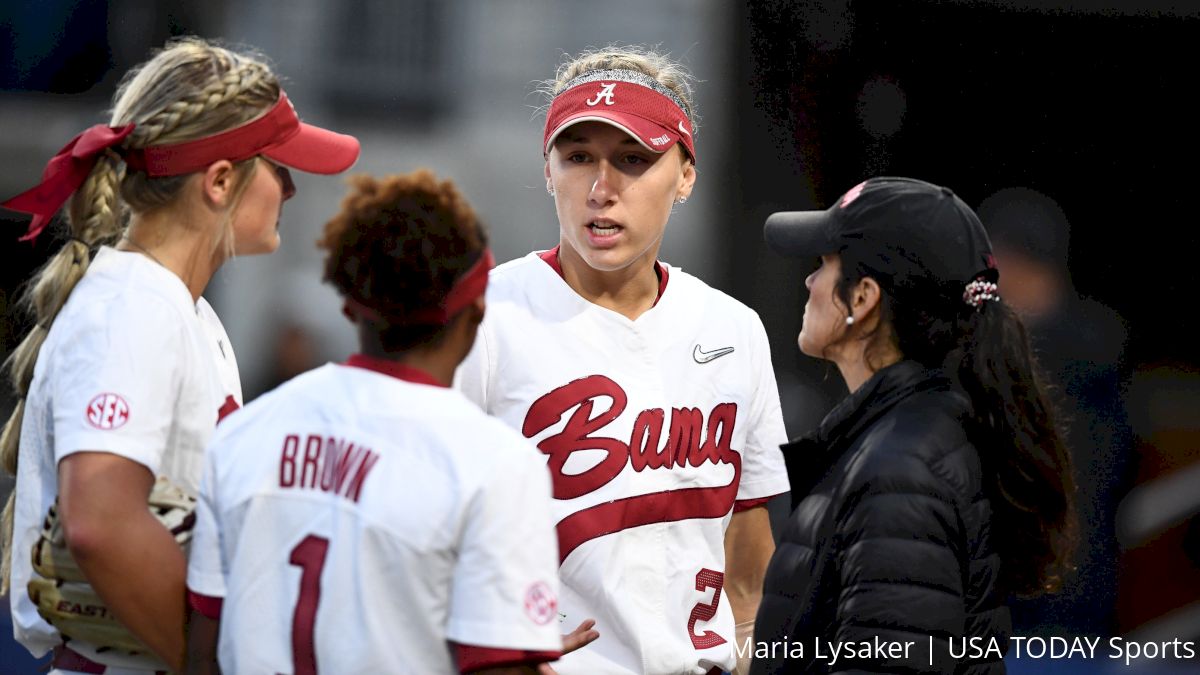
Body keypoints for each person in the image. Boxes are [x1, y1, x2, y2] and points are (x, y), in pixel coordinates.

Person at [0, 37, 360, 673]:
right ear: (220, 182)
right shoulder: (131, 306)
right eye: (280, 167)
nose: (293, 189)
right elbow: (101, 522)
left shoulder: (179, 306)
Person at [455, 46, 791, 675]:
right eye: (578, 157)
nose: (602, 189)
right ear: (549, 169)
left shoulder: (734, 329)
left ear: (686, 174)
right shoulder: (484, 318)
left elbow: (749, 581)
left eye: (633, 160)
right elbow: (423, 538)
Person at [185, 170, 592, 674]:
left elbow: (201, 649)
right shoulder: (494, 464)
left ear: (351, 307)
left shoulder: (245, 434)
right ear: (477, 308)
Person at [754, 177, 1077, 674]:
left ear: (861, 299)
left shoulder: (900, 468)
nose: (809, 282)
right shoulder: (904, 439)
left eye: (823, 265)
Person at [975, 186, 1133, 641]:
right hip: (1035, 604)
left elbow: (1087, 481)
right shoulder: (1096, 352)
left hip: (1056, 607)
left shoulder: (1079, 366)